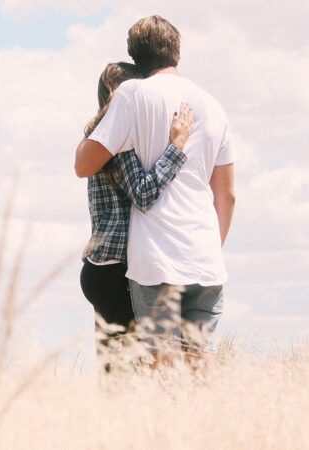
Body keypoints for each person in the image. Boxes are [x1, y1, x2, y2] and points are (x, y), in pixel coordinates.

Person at [75, 16, 236, 367]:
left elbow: (85, 166)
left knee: (153, 367)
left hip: (155, 260)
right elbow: (227, 196)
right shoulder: (213, 104)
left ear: (136, 56)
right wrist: (210, 245)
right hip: (204, 256)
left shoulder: (132, 97)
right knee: (200, 360)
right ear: (177, 49)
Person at [79, 61, 195, 365]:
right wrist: (176, 148)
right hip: (119, 270)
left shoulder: (96, 137)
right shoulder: (119, 141)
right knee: (133, 375)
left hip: (100, 266)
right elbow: (143, 194)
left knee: (115, 374)